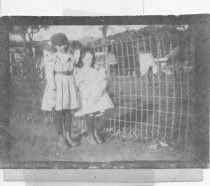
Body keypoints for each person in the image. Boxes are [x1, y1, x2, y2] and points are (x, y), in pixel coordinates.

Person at [41, 33, 80, 149]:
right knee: (58, 112)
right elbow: (49, 74)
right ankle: (60, 137)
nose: (63, 46)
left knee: (68, 111)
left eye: (65, 44)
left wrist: (76, 85)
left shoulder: (71, 57)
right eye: (60, 45)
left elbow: (75, 71)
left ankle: (68, 135)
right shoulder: (52, 57)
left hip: (69, 84)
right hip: (57, 84)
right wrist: (53, 88)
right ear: (56, 46)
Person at [74, 48, 114, 145]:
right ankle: (90, 133)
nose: (90, 60)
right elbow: (79, 84)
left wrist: (100, 91)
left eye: (91, 58)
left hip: (96, 94)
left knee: (96, 113)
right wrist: (87, 93)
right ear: (82, 58)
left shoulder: (94, 70)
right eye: (87, 58)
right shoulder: (79, 71)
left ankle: (95, 131)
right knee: (90, 113)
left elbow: (101, 81)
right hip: (86, 95)